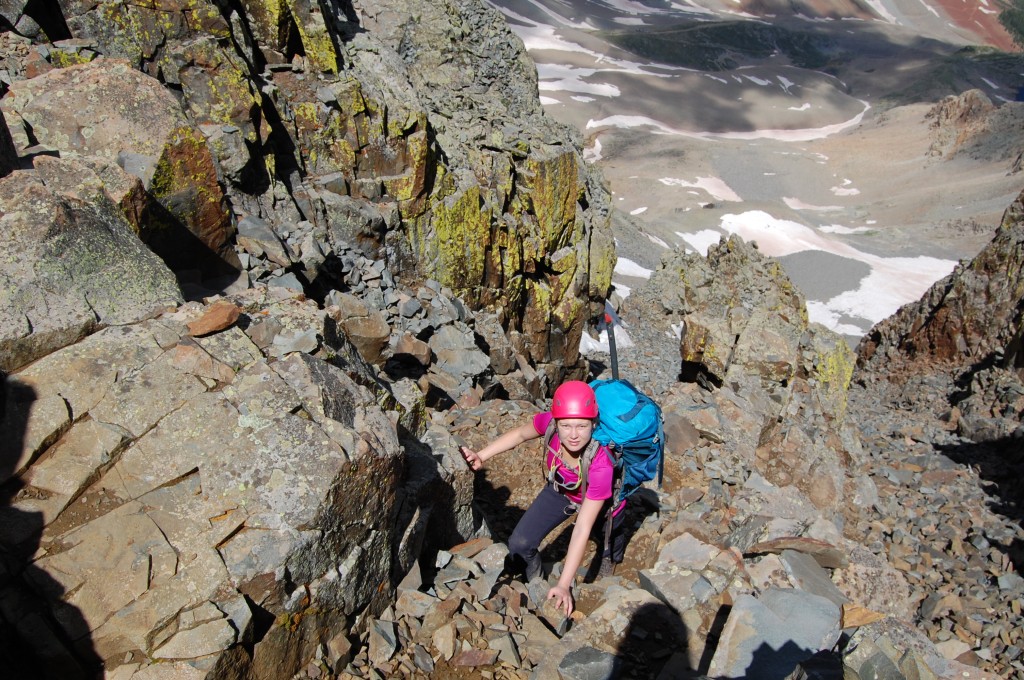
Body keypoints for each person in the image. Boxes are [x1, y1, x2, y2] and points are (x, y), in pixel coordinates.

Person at [459, 380, 625, 616]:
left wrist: (564, 585)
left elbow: (581, 528)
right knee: (520, 543)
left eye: (582, 426)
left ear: (593, 424)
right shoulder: (549, 424)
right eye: (566, 426)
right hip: (562, 490)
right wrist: (481, 455)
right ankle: (535, 581)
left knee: (609, 533)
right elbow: (519, 434)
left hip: (604, 502)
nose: (574, 435)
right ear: (556, 422)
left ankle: (611, 555)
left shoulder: (601, 465)